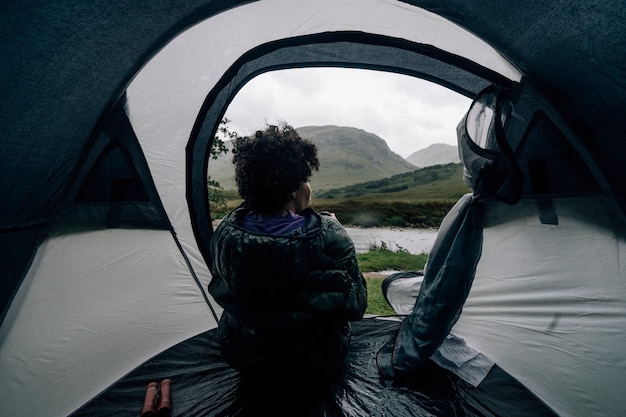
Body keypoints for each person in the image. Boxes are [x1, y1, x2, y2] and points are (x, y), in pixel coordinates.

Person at [208, 123, 367, 380]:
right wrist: (332, 225)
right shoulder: (330, 237)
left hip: (242, 354)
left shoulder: (226, 231)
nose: (309, 187)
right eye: (306, 179)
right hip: (312, 363)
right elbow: (356, 305)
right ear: (294, 188)